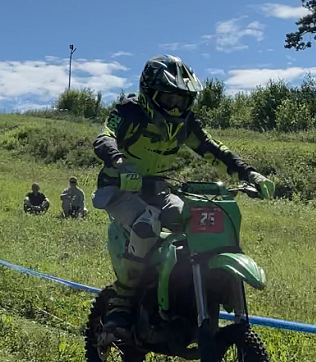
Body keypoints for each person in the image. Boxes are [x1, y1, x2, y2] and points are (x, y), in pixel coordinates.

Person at [91, 54, 275, 341]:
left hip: (159, 190)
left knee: (190, 220)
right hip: (119, 189)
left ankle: (178, 290)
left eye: (183, 100)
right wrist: (118, 162)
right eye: (169, 99)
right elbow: (105, 136)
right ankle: (123, 301)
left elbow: (215, 150)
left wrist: (250, 174)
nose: (176, 107)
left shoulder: (185, 124)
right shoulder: (128, 112)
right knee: (146, 225)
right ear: (149, 94)